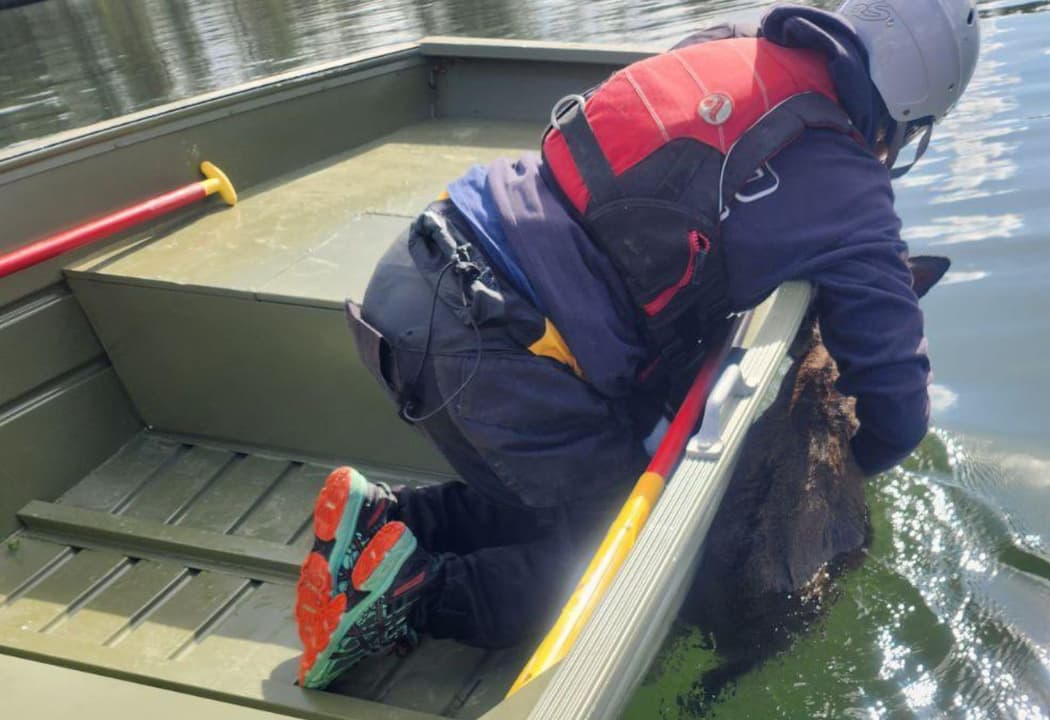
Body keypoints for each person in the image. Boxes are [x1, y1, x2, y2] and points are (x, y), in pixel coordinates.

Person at [294, 0, 980, 689]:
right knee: (618, 558)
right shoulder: (850, 188)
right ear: (905, 114)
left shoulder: (732, 43)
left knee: (582, 484)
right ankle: (403, 597)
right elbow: (897, 412)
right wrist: (845, 457)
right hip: (502, 344)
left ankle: (389, 516)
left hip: (421, 268)